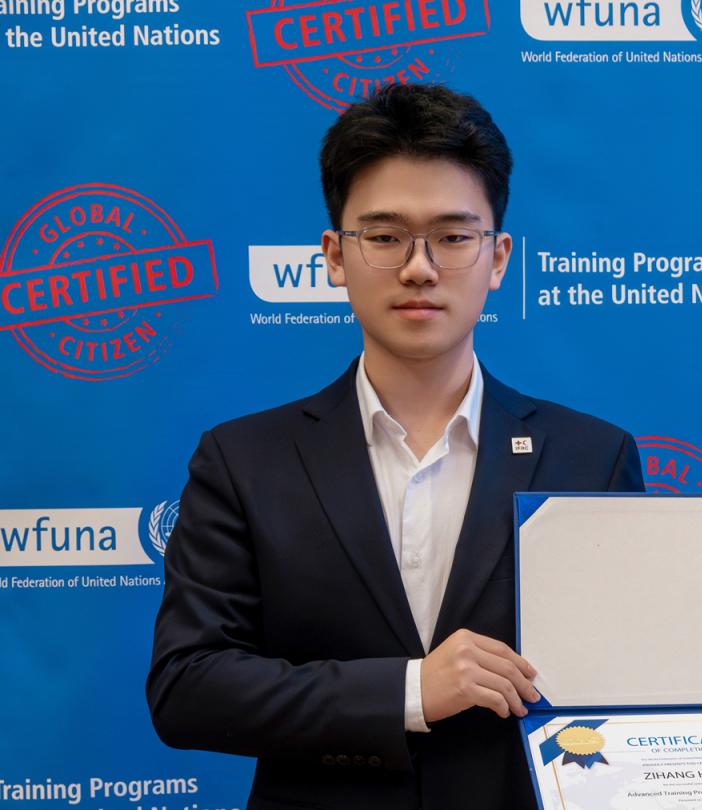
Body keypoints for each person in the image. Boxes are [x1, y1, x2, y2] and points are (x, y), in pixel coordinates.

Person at [147, 84, 644, 810]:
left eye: (453, 237)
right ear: (334, 256)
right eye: (384, 238)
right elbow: (187, 687)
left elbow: (631, 675)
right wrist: (411, 690)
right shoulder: (244, 460)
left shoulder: (590, 457)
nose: (419, 268)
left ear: (498, 257)